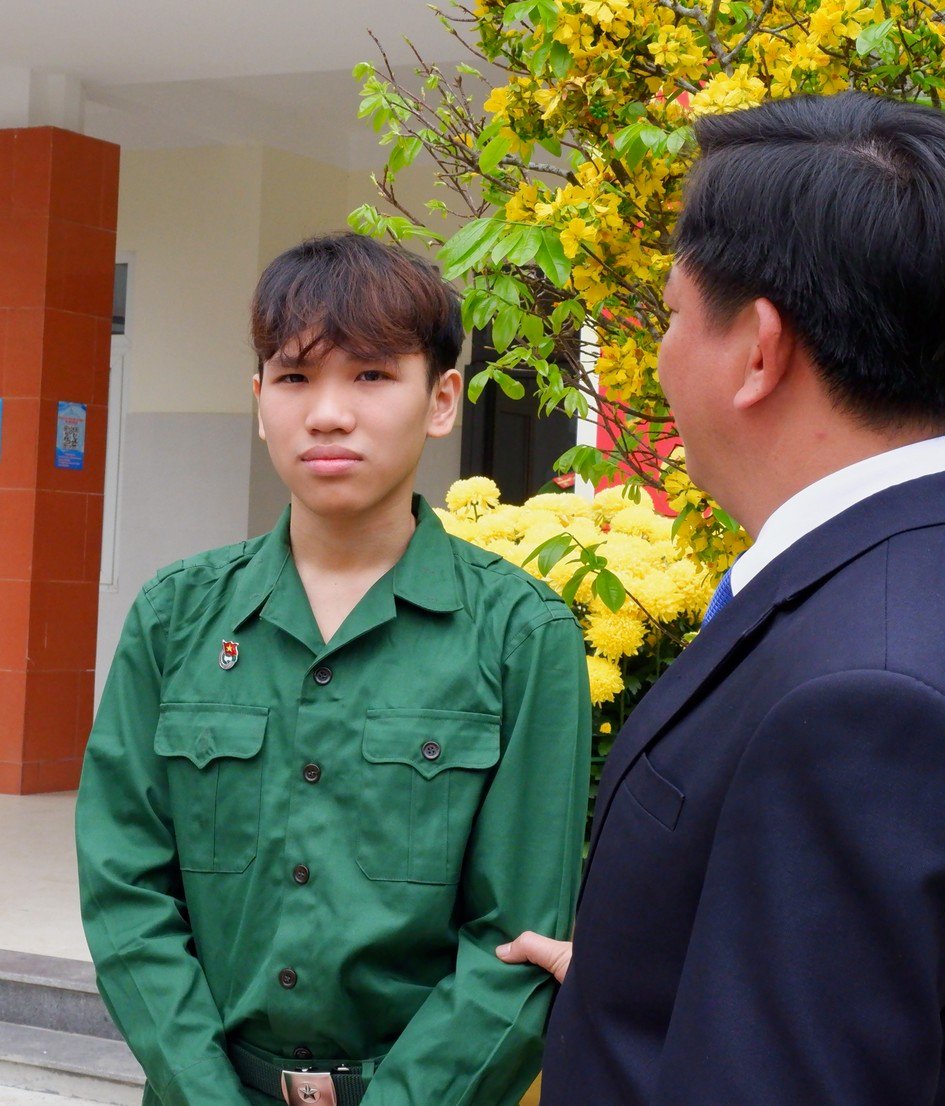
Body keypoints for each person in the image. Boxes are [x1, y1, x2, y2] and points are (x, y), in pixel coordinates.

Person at [504, 92, 945, 1105]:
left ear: (757, 352)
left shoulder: (866, 704)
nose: (658, 354)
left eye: (668, 314)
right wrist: (632, 986)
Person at [77, 232, 593, 1106]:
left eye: (370, 375)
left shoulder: (519, 634)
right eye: (294, 377)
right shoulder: (176, 618)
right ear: (258, 400)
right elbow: (126, 889)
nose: (327, 413)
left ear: (441, 400)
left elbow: (518, 939)